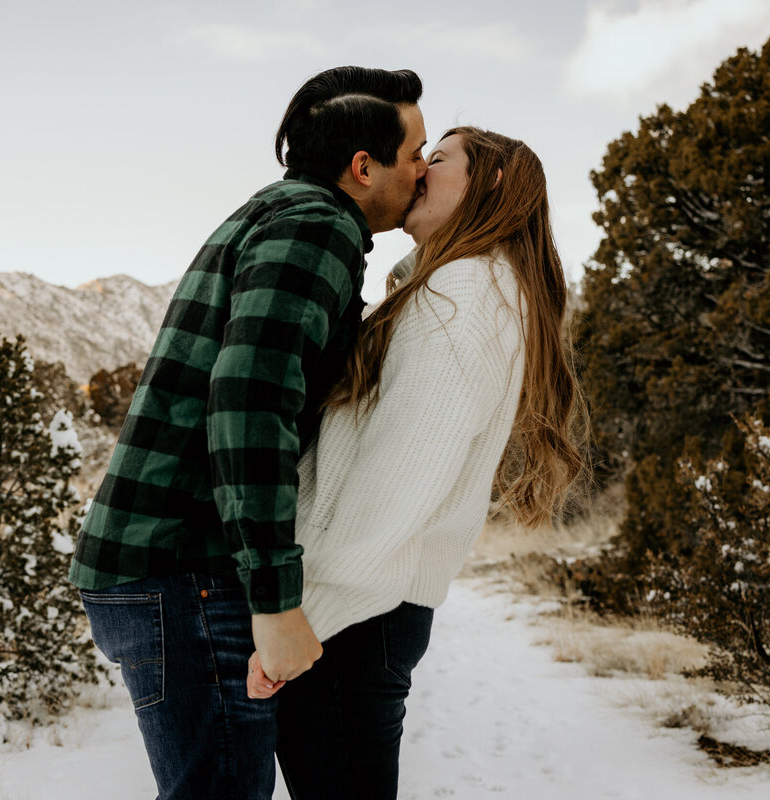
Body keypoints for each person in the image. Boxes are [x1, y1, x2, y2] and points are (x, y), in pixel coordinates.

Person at [68, 66, 428, 800]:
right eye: (416, 151)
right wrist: (275, 600)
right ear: (364, 167)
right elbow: (248, 403)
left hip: (165, 566)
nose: (422, 169)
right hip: (185, 569)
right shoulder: (317, 225)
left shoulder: (281, 213)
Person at [247, 126, 589, 800]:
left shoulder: (463, 292)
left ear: (490, 183)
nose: (419, 172)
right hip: (370, 610)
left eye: (438, 159)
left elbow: (396, 485)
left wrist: (299, 621)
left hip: (352, 613)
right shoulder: (473, 287)